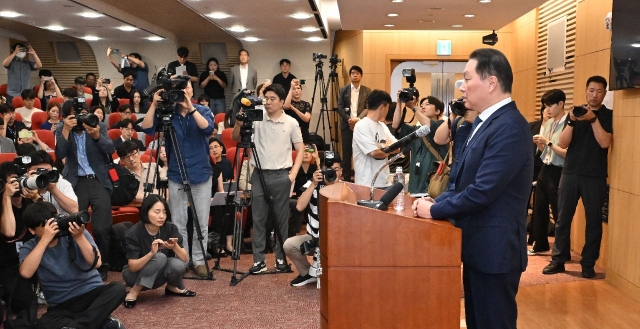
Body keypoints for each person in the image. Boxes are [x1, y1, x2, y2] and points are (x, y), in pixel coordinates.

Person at [412, 48, 532, 329]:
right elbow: (459, 181)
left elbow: (483, 191)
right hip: (478, 248)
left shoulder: (510, 126)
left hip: (496, 252)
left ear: (491, 82)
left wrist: (436, 210)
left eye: (467, 78)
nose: (461, 86)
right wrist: (434, 201)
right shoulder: (480, 122)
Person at [141, 80, 214, 278]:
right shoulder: (168, 111)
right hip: (176, 174)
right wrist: (155, 104)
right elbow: (147, 128)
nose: (183, 92)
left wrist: (190, 107)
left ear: (192, 91)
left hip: (200, 173)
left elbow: (207, 128)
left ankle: (199, 261)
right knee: (178, 221)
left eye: (187, 88)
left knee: (201, 221)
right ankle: (184, 260)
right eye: (179, 90)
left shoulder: (202, 110)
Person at [543, 76, 613, 279]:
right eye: (591, 90)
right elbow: (563, 144)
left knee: (593, 222)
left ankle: (588, 264)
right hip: (570, 173)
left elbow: (604, 143)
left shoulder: (608, 115)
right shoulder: (573, 114)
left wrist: (592, 119)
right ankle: (557, 260)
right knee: (563, 218)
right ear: (585, 90)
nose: (594, 95)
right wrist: (573, 121)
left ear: (604, 93)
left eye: (599, 91)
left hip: (595, 176)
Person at [231, 83, 304, 274]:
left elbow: (301, 149)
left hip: (282, 175)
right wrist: (239, 123)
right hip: (259, 174)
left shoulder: (291, 122)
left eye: (273, 99)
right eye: (266, 98)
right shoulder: (256, 118)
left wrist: (293, 174)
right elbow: (235, 137)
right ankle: (259, 261)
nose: (268, 102)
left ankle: (280, 259)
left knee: (281, 220)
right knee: (258, 218)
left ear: (281, 102)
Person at [19, 201, 126, 329]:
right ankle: (100, 322)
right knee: (43, 324)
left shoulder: (76, 233)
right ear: (32, 230)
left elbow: (96, 263)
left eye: (53, 222)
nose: (53, 228)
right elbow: (26, 272)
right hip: (62, 304)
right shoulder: (30, 247)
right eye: (45, 226)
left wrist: (79, 237)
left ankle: (78, 326)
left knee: (118, 288)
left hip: (90, 294)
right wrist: (44, 240)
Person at [55, 99, 115, 280]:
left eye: (81, 115)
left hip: (98, 179)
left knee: (101, 228)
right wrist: (65, 130)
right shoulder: (62, 129)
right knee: (74, 224)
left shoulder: (98, 125)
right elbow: (60, 154)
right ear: (66, 117)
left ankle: (103, 263)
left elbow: (110, 149)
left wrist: (96, 135)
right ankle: (77, 262)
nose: (79, 120)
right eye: (74, 116)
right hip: (77, 181)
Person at [122, 195, 194, 308]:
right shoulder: (134, 233)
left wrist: (174, 247)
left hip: (157, 278)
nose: (161, 216)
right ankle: (134, 291)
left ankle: (171, 287)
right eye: (157, 212)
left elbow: (185, 259)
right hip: (134, 276)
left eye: (164, 212)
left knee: (178, 264)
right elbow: (132, 267)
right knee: (160, 257)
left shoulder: (170, 228)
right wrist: (151, 254)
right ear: (146, 212)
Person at [283, 154, 342, 287]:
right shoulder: (313, 184)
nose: (332, 173)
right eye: (328, 170)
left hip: (338, 241)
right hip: (313, 237)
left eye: (336, 169)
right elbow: (299, 206)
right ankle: (308, 273)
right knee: (289, 244)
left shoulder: (346, 188)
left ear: (341, 171)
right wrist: (314, 184)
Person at [529, 89, 568, 255]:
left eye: (550, 105)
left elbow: (567, 152)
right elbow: (544, 152)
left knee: (559, 211)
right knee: (539, 208)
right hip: (545, 168)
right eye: (545, 106)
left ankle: (562, 250)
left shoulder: (569, 123)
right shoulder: (550, 123)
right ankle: (540, 243)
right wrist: (540, 144)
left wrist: (548, 143)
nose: (548, 110)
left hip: (559, 171)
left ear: (561, 104)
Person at [0, 162, 36, 318]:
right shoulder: (3, 204)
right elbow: (9, 231)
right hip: (10, 264)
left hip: (34, 259)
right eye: (13, 181)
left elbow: (51, 222)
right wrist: (6, 197)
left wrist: (36, 197)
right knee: (22, 303)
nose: (17, 184)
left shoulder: (30, 202)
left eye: (19, 179)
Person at [392, 94, 447, 194]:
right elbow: (396, 125)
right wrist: (399, 102)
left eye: (428, 104)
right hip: (415, 186)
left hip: (433, 186)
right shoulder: (416, 131)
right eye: (421, 104)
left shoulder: (442, 126)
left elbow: (429, 126)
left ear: (437, 111)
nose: (422, 106)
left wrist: (413, 107)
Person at [352, 90, 398, 188]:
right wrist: (387, 147)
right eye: (388, 108)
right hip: (366, 184)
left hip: (385, 182)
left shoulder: (382, 126)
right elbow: (375, 153)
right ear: (382, 107)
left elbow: (397, 147)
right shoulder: (361, 125)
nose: (387, 111)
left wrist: (380, 145)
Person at [336, 65, 371, 182]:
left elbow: (368, 107)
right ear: (350, 75)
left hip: (361, 126)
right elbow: (339, 107)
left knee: (361, 153)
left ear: (361, 76)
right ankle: (346, 179)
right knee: (346, 154)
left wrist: (357, 119)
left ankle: (360, 179)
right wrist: (349, 119)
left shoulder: (367, 90)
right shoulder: (343, 90)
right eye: (352, 73)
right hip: (347, 125)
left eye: (357, 73)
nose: (355, 75)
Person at [26, 150, 79, 215]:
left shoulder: (62, 183)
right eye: (39, 170)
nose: (42, 174)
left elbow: (74, 210)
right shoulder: (23, 184)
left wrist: (53, 189)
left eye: (47, 171)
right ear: (28, 171)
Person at [116, 141, 166, 207]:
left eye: (133, 154)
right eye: (126, 157)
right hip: (140, 209)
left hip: (161, 205)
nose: (131, 159)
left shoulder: (155, 167)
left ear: (139, 152)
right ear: (122, 160)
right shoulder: (122, 176)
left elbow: (165, 190)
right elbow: (129, 198)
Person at [284, 79, 312, 143]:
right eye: (294, 89)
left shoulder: (306, 104)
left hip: (303, 133)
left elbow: (306, 118)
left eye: (298, 88)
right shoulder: (288, 103)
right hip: (290, 133)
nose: (296, 91)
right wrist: (291, 87)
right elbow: (286, 106)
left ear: (301, 91)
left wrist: (293, 108)